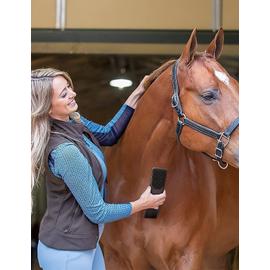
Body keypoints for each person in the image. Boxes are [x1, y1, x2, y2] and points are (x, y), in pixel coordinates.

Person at [31, 68, 166, 270]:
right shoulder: (65, 152)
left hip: (85, 243)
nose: (73, 94)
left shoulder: (73, 122)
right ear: (48, 109)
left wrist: (139, 90)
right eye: (64, 94)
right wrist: (143, 203)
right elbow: (98, 212)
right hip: (67, 253)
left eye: (69, 87)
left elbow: (109, 134)